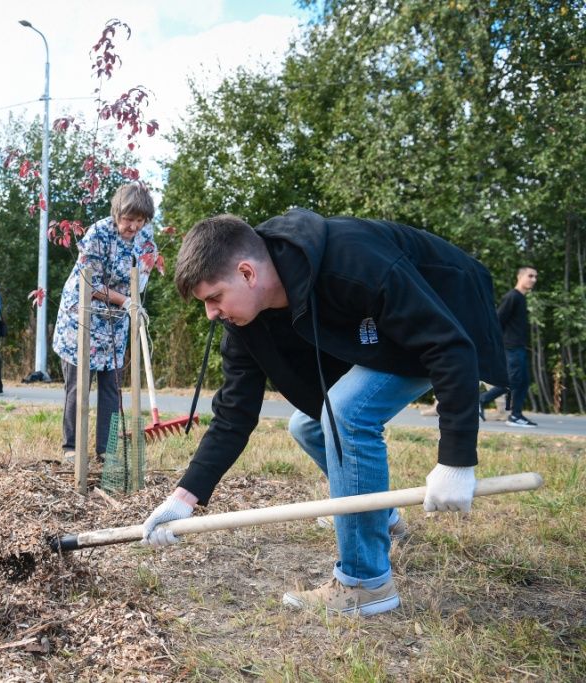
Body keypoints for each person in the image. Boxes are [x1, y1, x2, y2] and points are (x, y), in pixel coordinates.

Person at [140, 209, 507, 617]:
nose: (210, 313)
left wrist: (455, 460)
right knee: (308, 426)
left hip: (448, 316)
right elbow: (233, 414)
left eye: (213, 298)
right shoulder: (245, 324)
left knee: (344, 414)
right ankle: (379, 516)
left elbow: (448, 345)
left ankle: (366, 585)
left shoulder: (351, 261)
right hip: (386, 333)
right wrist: (183, 499)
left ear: (247, 273)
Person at [51, 182, 158, 460]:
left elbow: (140, 281)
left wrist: (135, 302)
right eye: (127, 219)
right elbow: (91, 283)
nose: (132, 226)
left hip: (115, 322)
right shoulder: (98, 233)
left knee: (111, 386)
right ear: (116, 213)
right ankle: (72, 448)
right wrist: (125, 301)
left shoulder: (147, 243)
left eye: (139, 220)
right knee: (79, 385)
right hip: (82, 316)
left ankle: (106, 450)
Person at [479, 267, 539, 427]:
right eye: (530, 276)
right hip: (510, 347)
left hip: (519, 346)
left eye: (535, 277)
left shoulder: (521, 298)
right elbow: (498, 321)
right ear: (519, 277)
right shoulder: (512, 296)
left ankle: (516, 415)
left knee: (523, 381)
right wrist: (495, 346)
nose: (533, 279)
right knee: (512, 381)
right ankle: (482, 400)